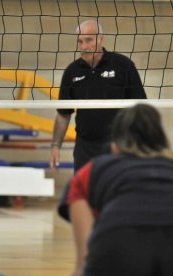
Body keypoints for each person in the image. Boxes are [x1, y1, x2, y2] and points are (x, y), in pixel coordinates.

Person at [68, 104, 173, 276]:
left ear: (115, 146)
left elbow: (83, 261)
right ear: (162, 141)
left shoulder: (91, 171)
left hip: (118, 235)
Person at [49, 19, 147, 221]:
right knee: (83, 202)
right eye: (80, 41)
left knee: (117, 200)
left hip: (117, 146)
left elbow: (140, 108)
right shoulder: (72, 72)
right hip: (85, 147)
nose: (84, 46)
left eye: (89, 40)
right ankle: (91, 248)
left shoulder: (123, 66)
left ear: (101, 39)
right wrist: (55, 145)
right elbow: (63, 114)